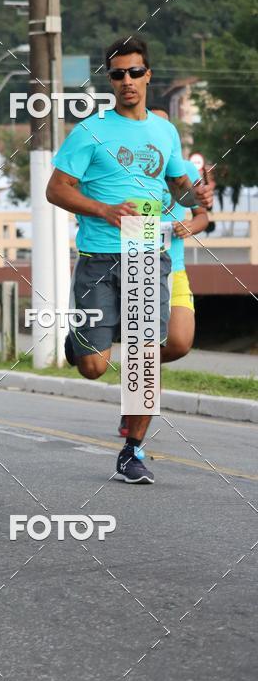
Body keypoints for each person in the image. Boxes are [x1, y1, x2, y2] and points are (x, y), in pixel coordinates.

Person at [46, 37, 213, 484]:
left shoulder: (164, 131)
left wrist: (195, 195)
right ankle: (79, 343)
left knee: (145, 357)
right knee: (94, 366)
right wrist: (105, 211)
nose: (127, 81)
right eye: (118, 74)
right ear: (110, 80)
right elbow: (56, 189)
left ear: (148, 76)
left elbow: (177, 185)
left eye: (134, 72)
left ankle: (131, 450)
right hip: (99, 257)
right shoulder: (90, 130)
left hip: (147, 256)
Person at [118, 109, 210, 437]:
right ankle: (134, 412)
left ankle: (137, 368)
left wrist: (191, 224)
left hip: (177, 267)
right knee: (146, 348)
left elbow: (203, 215)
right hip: (142, 266)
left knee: (181, 342)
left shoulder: (183, 169)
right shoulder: (128, 167)